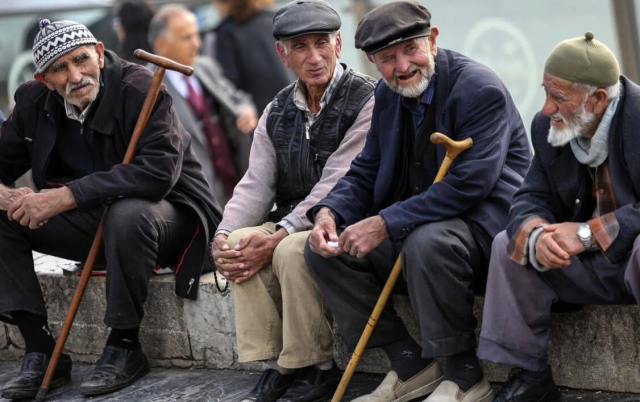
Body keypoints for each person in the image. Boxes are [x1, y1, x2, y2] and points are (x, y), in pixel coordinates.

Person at [304, 2, 531, 402]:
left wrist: (385, 222)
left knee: (426, 241)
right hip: (419, 226)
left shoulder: (479, 89)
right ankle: (410, 362)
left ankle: (464, 374)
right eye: (388, 58)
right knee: (326, 250)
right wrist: (329, 212)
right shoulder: (388, 95)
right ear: (372, 61)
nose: (403, 66)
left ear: (434, 39)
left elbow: (469, 186)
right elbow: (366, 170)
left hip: (484, 229)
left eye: (411, 49)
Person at [0, 19, 222, 399]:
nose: (75, 75)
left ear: (100, 54)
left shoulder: (141, 88)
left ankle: (124, 345)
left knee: (127, 212)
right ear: (44, 79)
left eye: (81, 60)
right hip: (93, 224)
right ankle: (40, 348)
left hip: (168, 219)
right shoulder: (33, 102)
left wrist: (66, 196)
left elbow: (158, 174)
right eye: (59, 69)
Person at [210, 1, 376, 401]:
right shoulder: (277, 109)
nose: (315, 57)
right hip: (291, 218)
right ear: (283, 55)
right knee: (238, 245)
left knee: (288, 250)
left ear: (339, 44)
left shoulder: (367, 99)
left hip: (346, 218)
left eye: (322, 43)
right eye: (300, 47)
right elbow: (256, 184)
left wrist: (282, 231)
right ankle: (277, 365)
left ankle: (317, 365)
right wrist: (224, 232)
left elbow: (339, 180)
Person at [477, 32, 635, 402]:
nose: (546, 108)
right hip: (586, 267)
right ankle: (530, 377)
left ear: (597, 99)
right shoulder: (547, 125)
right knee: (508, 243)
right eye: (545, 93)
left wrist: (585, 234)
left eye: (558, 97)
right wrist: (537, 237)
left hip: (631, 260)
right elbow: (530, 196)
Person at [149, 4, 258, 205]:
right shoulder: (148, 84)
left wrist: (245, 111)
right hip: (197, 196)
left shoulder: (205, 67)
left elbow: (238, 98)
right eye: (187, 38)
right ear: (161, 44)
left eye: (196, 35)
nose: (196, 44)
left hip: (238, 186)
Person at [208, 0, 295, 114]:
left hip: (264, 115)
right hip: (297, 102)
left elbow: (229, 83)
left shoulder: (226, 33)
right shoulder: (275, 18)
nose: (215, 8)